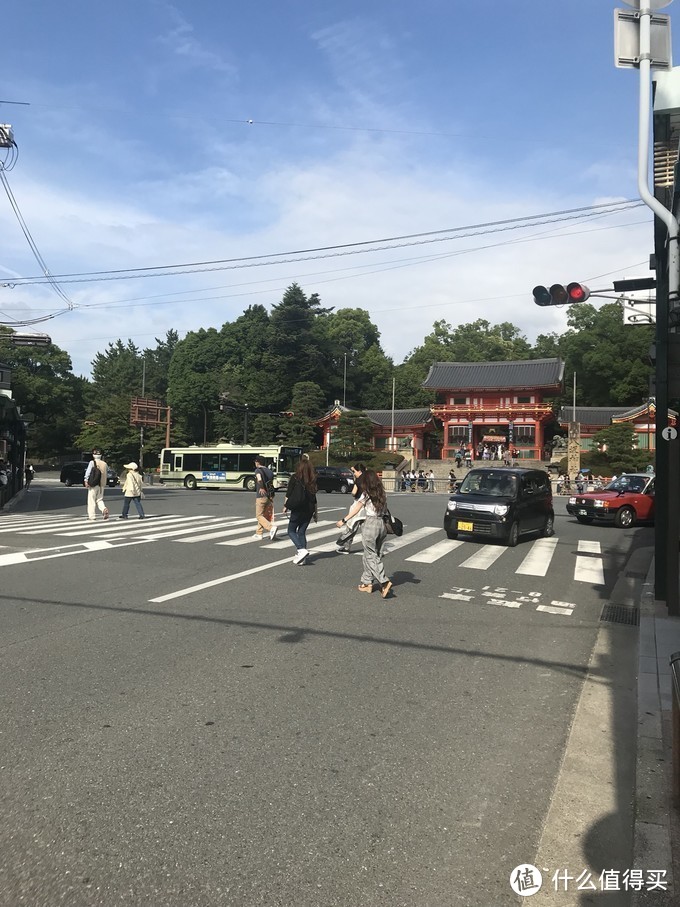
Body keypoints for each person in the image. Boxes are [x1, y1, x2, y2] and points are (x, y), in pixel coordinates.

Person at [335, 469, 393, 599]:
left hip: (370, 524)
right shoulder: (383, 493)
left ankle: (384, 581)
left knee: (371, 555)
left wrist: (344, 520)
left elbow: (356, 509)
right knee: (371, 554)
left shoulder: (366, 494)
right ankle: (367, 582)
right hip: (382, 525)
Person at [283, 455, 317, 565]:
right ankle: (303, 558)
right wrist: (316, 513)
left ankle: (301, 550)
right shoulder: (312, 480)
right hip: (309, 509)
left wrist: (285, 506)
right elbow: (314, 498)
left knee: (291, 531)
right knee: (302, 532)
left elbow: (289, 494)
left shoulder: (295, 478)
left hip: (297, 508)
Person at [336, 463, 366, 553]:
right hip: (367, 505)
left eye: (354, 471)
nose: (354, 473)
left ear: (359, 471)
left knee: (351, 526)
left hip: (358, 503)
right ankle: (373, 548)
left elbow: (353, 492)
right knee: (365, 528)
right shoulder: (368, 478)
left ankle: (346, 546)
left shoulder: (358, 480)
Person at [252, 455, 278, 541]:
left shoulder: (258, 470)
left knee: (259, 515)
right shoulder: (270, 471)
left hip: (261, 495)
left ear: (257, 462)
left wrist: (261, 487)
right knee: (262, 515)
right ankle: (259, 533)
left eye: (255, 461)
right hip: (269, 496)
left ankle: (271, 528)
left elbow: (259, 479)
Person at [84, 449, 110, 521]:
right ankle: (104, 509)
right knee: (99, 499)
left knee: (91, 500)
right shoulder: (105, 464)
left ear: (93, 455)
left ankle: (92, 516)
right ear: (101, 456)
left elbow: (88, 472)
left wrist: (86, 480)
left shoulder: (92, 462)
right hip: (101, 485)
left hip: (93, 484)